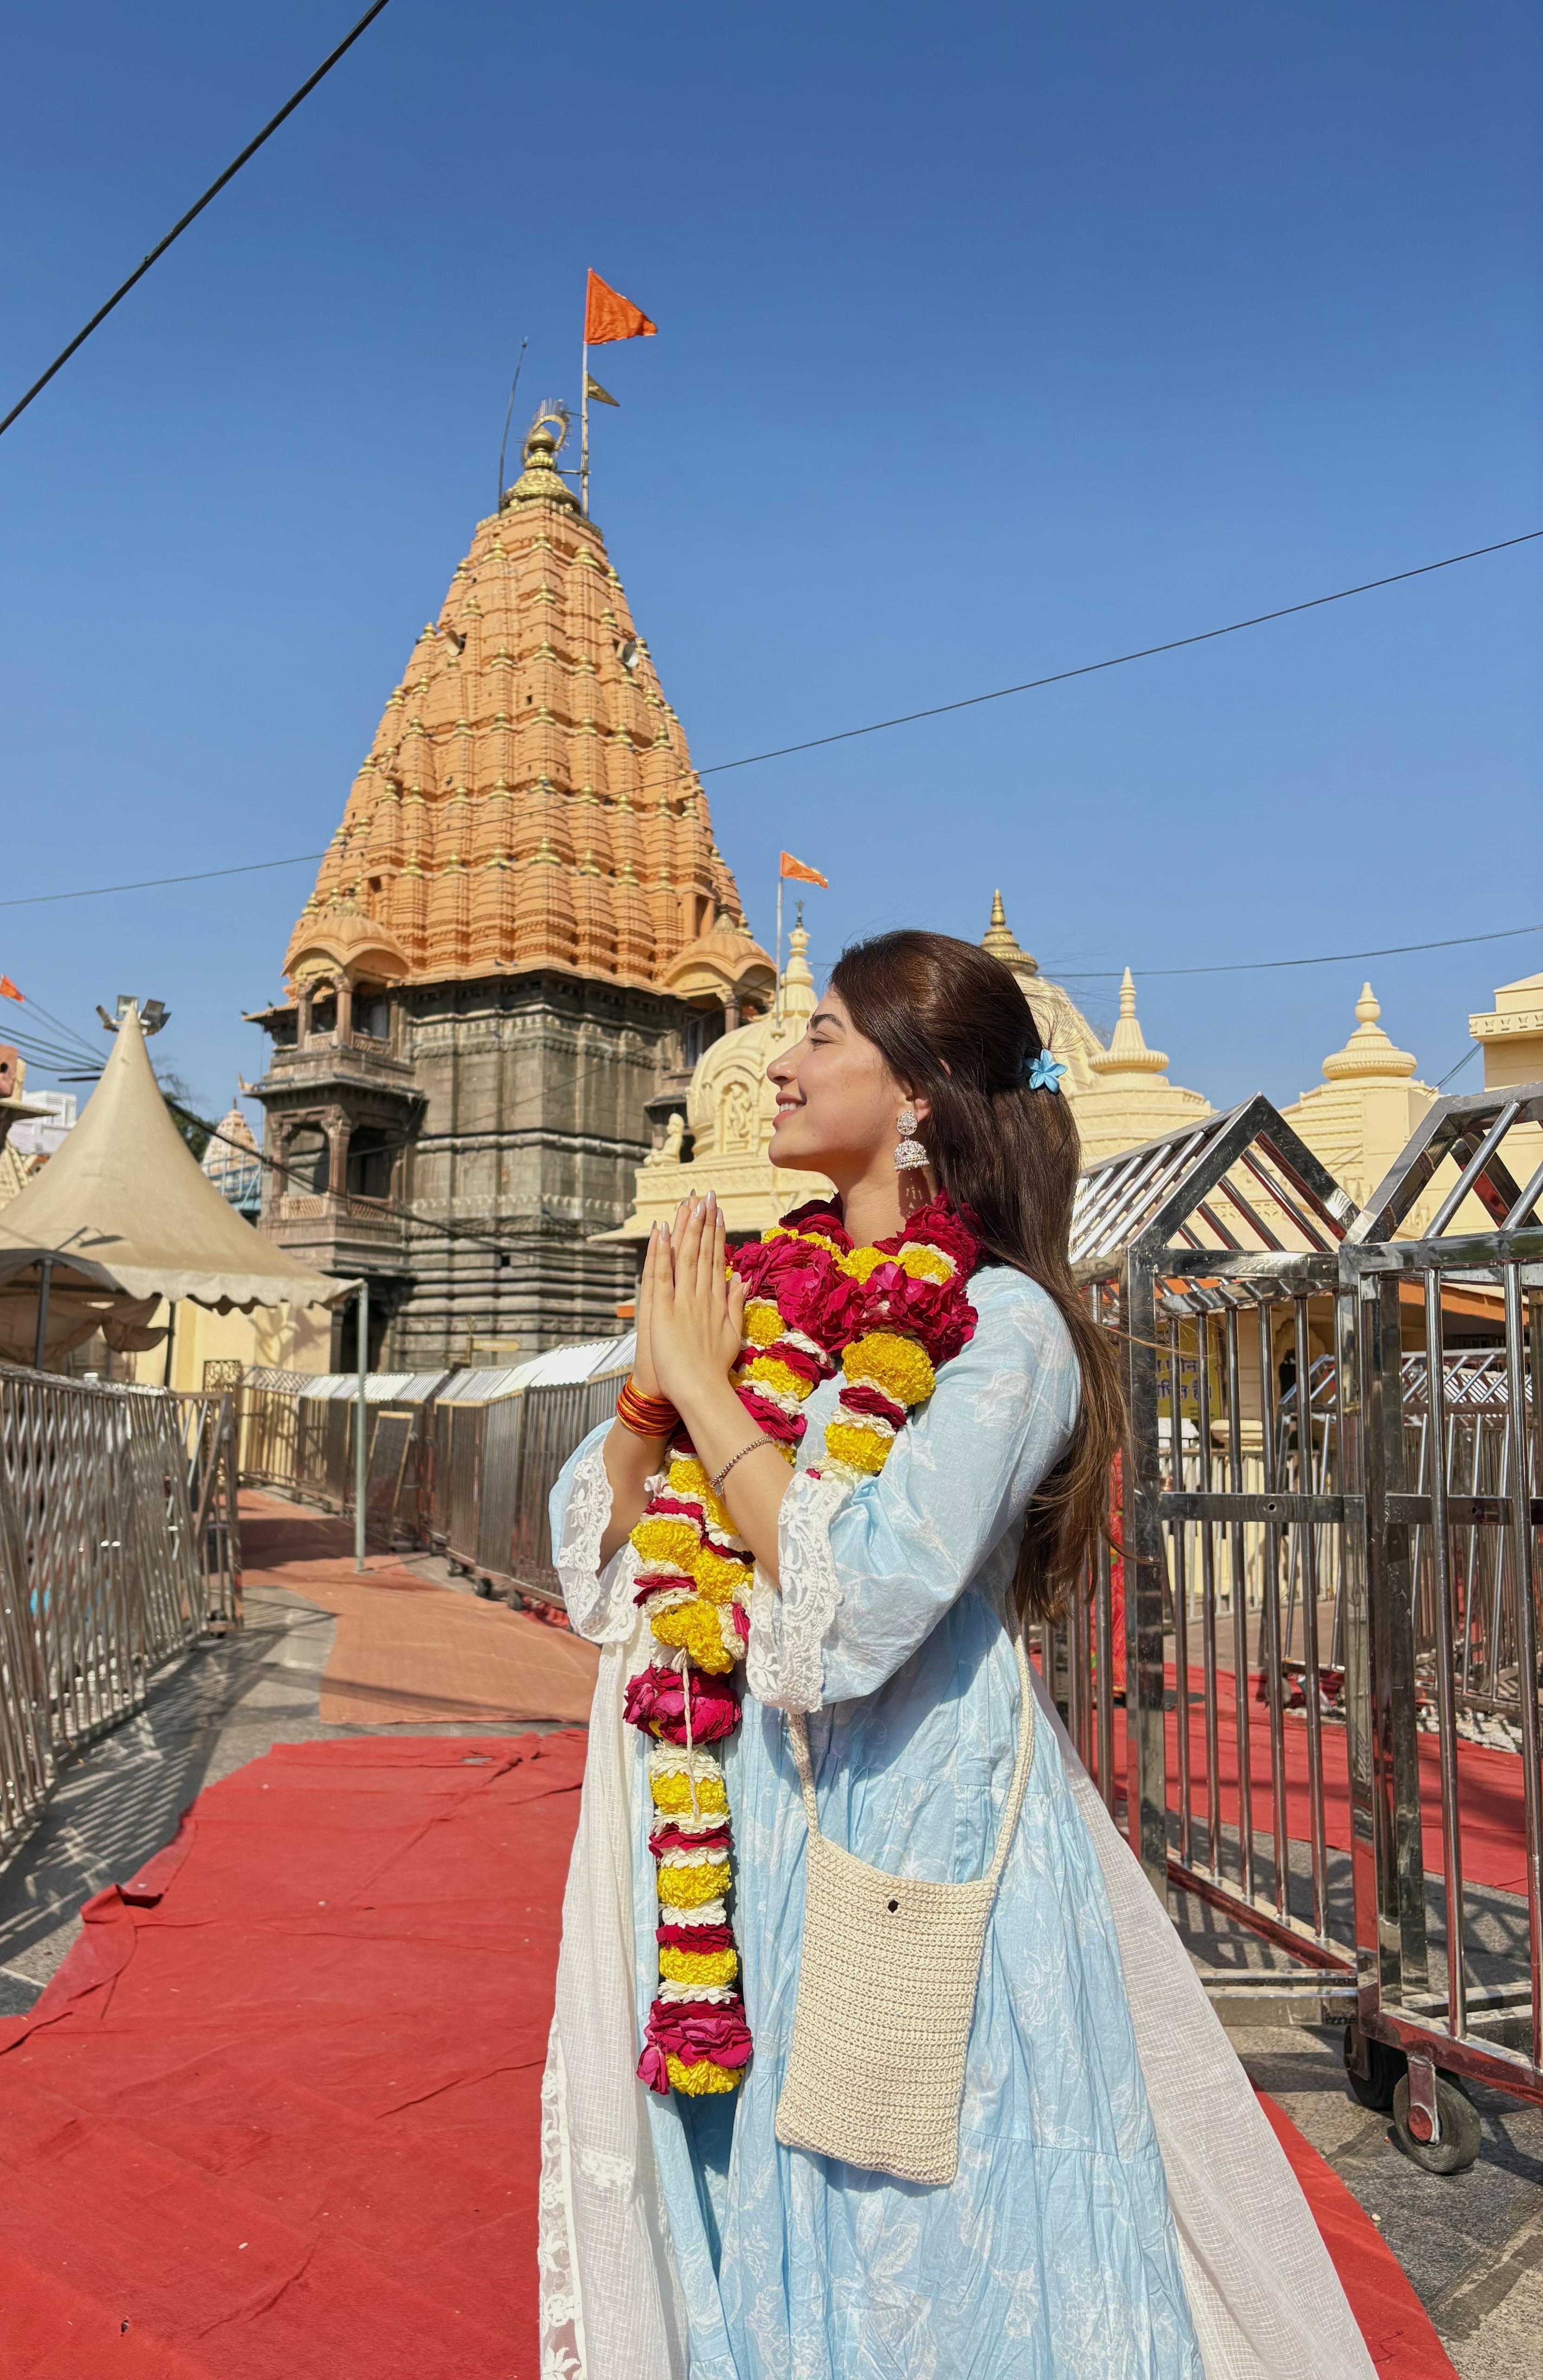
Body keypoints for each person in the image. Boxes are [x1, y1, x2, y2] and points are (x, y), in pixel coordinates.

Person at [541, 930, 1374, 2380]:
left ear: (919, 1096)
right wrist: (647, 1397)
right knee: (751, 2222)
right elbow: (609, 1554)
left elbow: (857, 1596)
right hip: (730, 1833)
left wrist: (701, 1389)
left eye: (818, 1038)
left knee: (919, 2244)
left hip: (911, 1835)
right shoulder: (768, 1300)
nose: (780, 1067)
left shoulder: (1007, 1332)